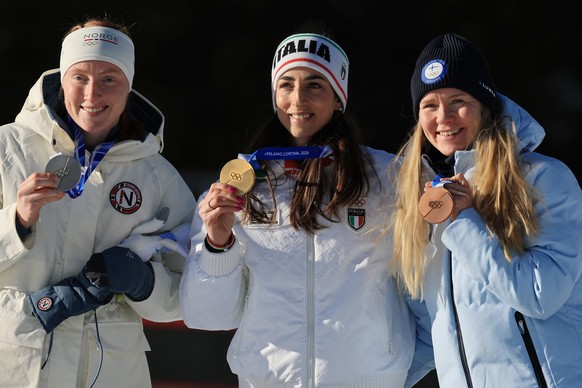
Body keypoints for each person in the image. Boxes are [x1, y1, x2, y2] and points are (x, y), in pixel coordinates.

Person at [180, 32, 416, 387]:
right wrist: (217, 243)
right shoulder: (243, 184)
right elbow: (207, 315)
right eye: (286, 84)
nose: (298, 99)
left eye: (315, 85)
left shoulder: (388, 177)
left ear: (339, 98)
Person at [0, 16, 196, 388]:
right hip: (15, 363)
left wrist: (144, 283)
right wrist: (16, 221)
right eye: (80, 77)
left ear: (128, 86)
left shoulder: (157, 176)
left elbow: (191, 288)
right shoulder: (7, 150)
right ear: (63, 78)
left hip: (111, 371)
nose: (93, 94)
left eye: (109, 79)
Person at [387, 33, 582, 387]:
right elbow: (430, 333)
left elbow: (541, 295)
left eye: (458, 100)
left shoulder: (543, 180)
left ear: (485, 105)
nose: (443, 117)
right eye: (429, 105)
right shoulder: (420, 198)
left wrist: (463, 220)